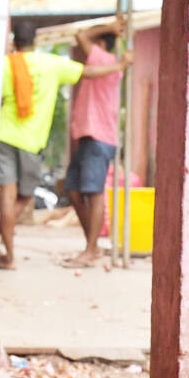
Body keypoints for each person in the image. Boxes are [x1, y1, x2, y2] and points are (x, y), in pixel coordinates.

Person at [0, 20, 129, 270]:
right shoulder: (52, 64)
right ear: (36, 40)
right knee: (30, 196)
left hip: (6, 135)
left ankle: (2, 251)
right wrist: (121, 63)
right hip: (33, 140)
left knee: (11, 197)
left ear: (14, 41)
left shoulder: (7, 64)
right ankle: (3, 251)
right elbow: (86, 71)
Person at [63, 16, 133, 268]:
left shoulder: (104, 59)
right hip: (88, 134)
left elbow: (81, 35)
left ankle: (91, 249)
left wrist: (108, 28)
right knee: (73, 190)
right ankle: (91, 246)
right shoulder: (110, 63)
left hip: (99, 135)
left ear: (101, 43)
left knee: (93, 193)